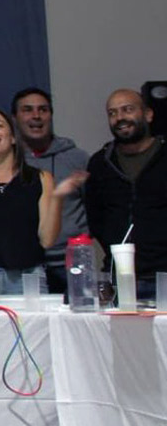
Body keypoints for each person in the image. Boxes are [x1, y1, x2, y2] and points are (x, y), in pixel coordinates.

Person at [0, 107, 85, 296]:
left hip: (26, 278)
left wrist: (57, 197)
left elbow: (47, 240)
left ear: (13, 137)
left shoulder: (41, 178)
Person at [85, 88, 167, 299]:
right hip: (120, 279)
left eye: (128, 109)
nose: (120, 117)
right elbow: (96, 219)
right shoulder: (100, 163)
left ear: (148, 114)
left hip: (163, 277)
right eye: (112, 113)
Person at [11, 86, 90, 294]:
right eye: (27, 110)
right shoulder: (7, 162)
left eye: (43, 110)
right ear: (14, 118)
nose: (36, 116)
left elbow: (96, 209)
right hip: (26, 266)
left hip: (71, 264)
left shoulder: (77, 158)